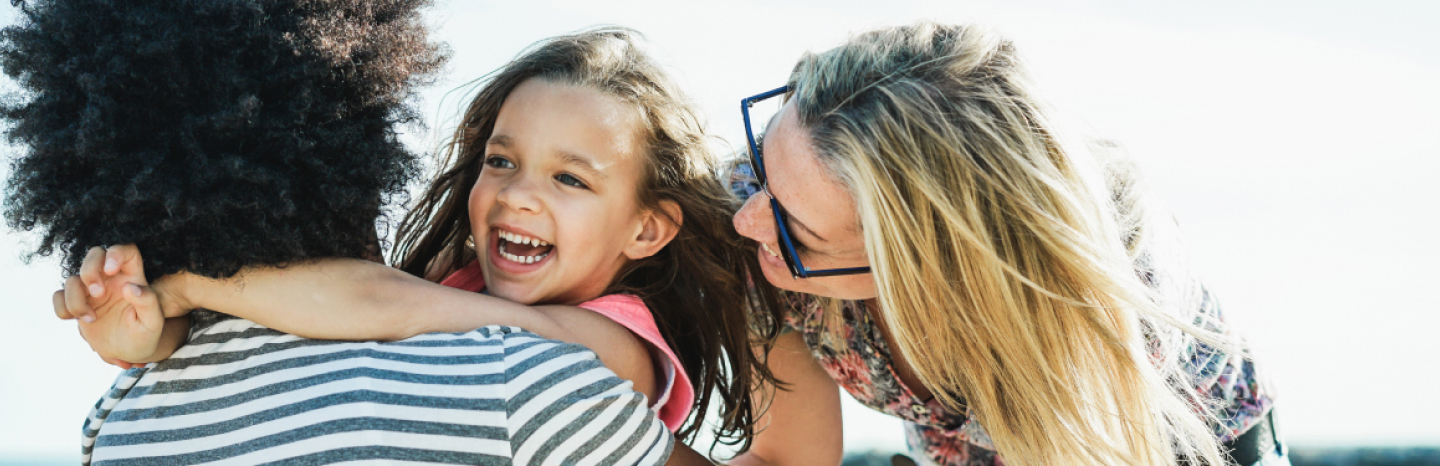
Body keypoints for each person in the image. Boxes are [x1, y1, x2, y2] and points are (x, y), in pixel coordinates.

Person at [3, 1, 711, 464]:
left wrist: (179, 290)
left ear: (650, 229)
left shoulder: (119, 421)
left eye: (571, 179)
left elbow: (377, 304)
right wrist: (160, 324)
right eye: (499, 161)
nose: (518, 193)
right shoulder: (504, 369)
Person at [728, 23, 1281, 466]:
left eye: (798, 230)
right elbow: (785, 458)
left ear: (920, 267)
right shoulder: (771, 208)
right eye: (760, 168)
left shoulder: (1082, 309)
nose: (746, 221)